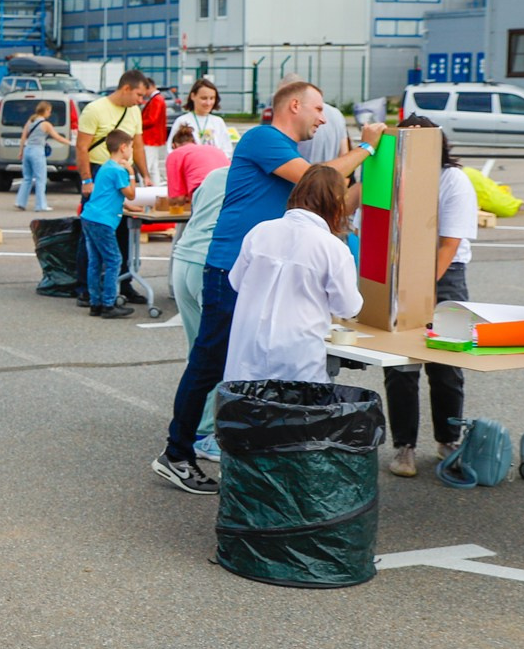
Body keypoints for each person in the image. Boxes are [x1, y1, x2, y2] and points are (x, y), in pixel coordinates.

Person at [154, 79, 384, 494]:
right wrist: (366, 148)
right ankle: (177, 453)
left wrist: (374, 175)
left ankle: (243, 450)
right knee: (211, 363)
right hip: (230, 269)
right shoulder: (264, 139)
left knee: (245, 365)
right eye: (318, 110)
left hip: (254, 272)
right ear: (294, 105)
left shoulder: (287, 152)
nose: (322, 118)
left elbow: (334, 203)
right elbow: (320, 178)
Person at [382, 116, 479, 478]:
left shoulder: (452, 179)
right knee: (401, 366)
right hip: (402, 270)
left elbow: (449, 245)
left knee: (446, 364)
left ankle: (448, 439)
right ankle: (403, 446)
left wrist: (422, 291)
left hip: (445, 275)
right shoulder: (394, 175)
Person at [224, 166, 362, 383]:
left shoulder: (260, 231)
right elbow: (347, 307)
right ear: (335, 201)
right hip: (298, 356)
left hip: (248, 349)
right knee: (296, 414)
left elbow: (237, 282)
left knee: (247, 411)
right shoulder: (332, 247)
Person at [74, 71, 149, 303]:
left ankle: (123, 283)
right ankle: (86, 289)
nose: (141, 100)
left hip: (123, 169)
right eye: (138, 94)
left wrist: (145, 175)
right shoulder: (95, 109)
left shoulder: (134, 111)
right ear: (126, 88)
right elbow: (82, 147)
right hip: (99, 170)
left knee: (124, 229)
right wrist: (87, 180)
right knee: (94, 230)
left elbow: (137, 146)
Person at [171, 168, 229, 462]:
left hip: (182, 258)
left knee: (197, 350)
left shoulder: (215, 175)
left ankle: (192, 426)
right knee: (217, 354)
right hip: (210, 263)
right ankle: (206, 432)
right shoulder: (260, 180)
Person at [80, 131, 142, 318]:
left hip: (90, 216)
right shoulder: (118, 170)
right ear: (123, 148)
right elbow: (131, 193)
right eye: (131, 147)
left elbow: (107, 194)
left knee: (95, 261)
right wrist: (131, 173)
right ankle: (109, 303)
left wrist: (126, 205)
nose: (131, 150)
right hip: (103, 221)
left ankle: (95, 302)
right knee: (114, 260)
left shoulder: (105, 167)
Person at [167, 77, 232, 155]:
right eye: (204, 98)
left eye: (212, 98)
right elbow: (171, 151)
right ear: (193, 96)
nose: (208, 103)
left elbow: (227, 149)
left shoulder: (218, 122)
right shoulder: (182, 121)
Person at [15, 102, 61, 213]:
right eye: (49, 111)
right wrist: (70, 142)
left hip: (27, 149)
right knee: (41, 179)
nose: (49, 113)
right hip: (37, 151)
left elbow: (23, 137)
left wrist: (21, 151)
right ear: (45, 111)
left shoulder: (30, 121)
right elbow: (57, 137)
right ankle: (40, 205)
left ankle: (20, 202)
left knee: (27, 178)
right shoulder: (45, 124)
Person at [165, 126, 229, 201]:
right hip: (231, 189)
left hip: (205, 191)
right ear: (194, 142)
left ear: (174, 145)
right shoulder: (214, 149)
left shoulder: (175, 154)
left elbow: (177, 198)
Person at [139, 79, 169, 186]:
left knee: (145, 167)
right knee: (153, 168)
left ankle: (145, 192)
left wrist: (138, 123)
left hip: (150, 137)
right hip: (155, 137)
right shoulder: (158, 99)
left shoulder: (156, 100)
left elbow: (152, 119)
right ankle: (155, 191)